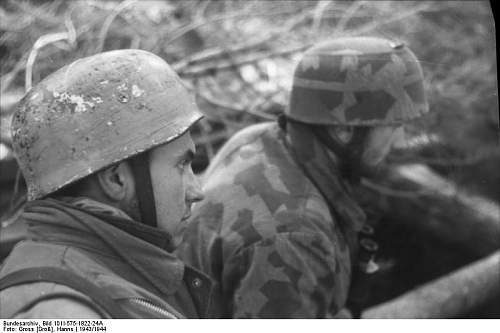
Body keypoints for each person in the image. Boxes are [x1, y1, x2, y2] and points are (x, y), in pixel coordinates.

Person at [177, 36, 429, 318]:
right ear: (344, 130)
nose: (401, 142)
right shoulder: (295, 237)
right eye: (394, 126)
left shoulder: (257, 138)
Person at [0, 49, 212, 318]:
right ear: (116, 179)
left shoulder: (119, 271)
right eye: (181, 165)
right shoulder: (61, 313)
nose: (197, 192)